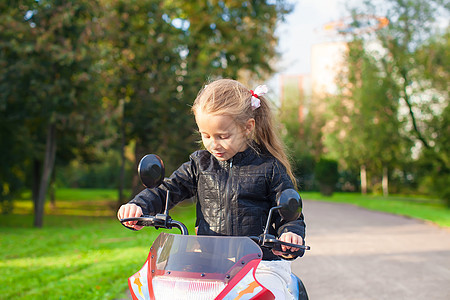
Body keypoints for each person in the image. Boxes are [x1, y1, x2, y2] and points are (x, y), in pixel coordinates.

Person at [117, 78, 306, 299]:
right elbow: (168, 189)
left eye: (222, 136)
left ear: (248, 128)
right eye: (205, 136)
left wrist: (291, 234)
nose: (213, 144)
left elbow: (290, 212)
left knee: (268, 295)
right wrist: (139, 206)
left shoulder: (269, 167)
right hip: (208, 265)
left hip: (261, 265)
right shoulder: (200, 164)